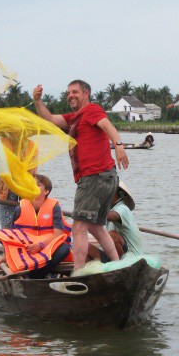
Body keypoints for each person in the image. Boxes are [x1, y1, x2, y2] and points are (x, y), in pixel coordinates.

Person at [32, 80, 128, 272]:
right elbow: (50, 119)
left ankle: (78, 273)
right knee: (96, 227)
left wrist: (119, 147)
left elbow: (108, 127)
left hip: (94, 176)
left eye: (75, 92)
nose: (70, 96)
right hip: (106, 177)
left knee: (78, 227)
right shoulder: (74, 118)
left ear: (86, 94)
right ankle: (118, 265)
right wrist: (37, 101)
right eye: (68, 93)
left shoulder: (91, 110)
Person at [0, 174, 71, 279]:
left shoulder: (54, 207)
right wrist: (6, 256)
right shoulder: (20, 208)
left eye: (38, 185)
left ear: (46, 192)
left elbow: (58, 234)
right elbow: (12, 236)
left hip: (46, 247)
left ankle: (36, 276)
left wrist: (41, 245)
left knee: (64, 248)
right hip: (26, 249)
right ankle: (39, 274)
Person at [87, 180, 144, 261]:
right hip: (113, 254)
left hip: (131, 257)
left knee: (112, 236)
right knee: (84, 247)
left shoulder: (123, 208)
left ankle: (119, 267)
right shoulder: (109, 209)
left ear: (119, 194)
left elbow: (112, 216)